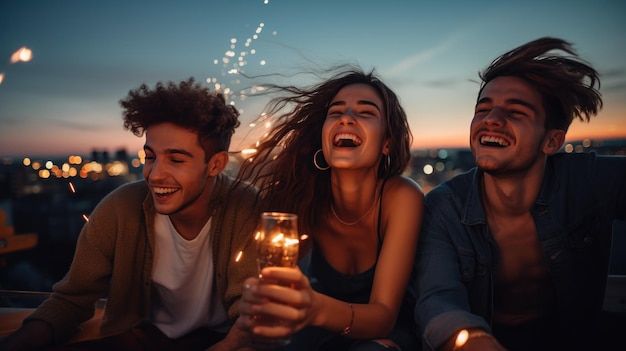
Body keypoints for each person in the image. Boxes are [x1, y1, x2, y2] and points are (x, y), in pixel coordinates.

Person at [0, 78, 260, 351]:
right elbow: (71, 299)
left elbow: (249, 312)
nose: (154, 174)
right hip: (142, 337)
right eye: (150, 157)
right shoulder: (121, 206)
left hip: (221, 341)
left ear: (215, 164)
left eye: (176, 159)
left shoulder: (244, 206)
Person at [414, 37, 626, 351]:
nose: (491, 120)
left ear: (552, 142)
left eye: (515, 112)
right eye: (483, 109)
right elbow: (438, 299)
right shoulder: (444, 207)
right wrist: (473, 342)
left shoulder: (587, 180)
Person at [233, 67, 424, 350]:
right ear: (323, 135)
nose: (346, 118)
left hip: (387, 335)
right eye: (335, 112)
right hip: (318, 329)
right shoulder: (302, 196)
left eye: (366, 113)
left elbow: (384, 317)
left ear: (387, 143)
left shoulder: (401, 197)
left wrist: (314, 308)